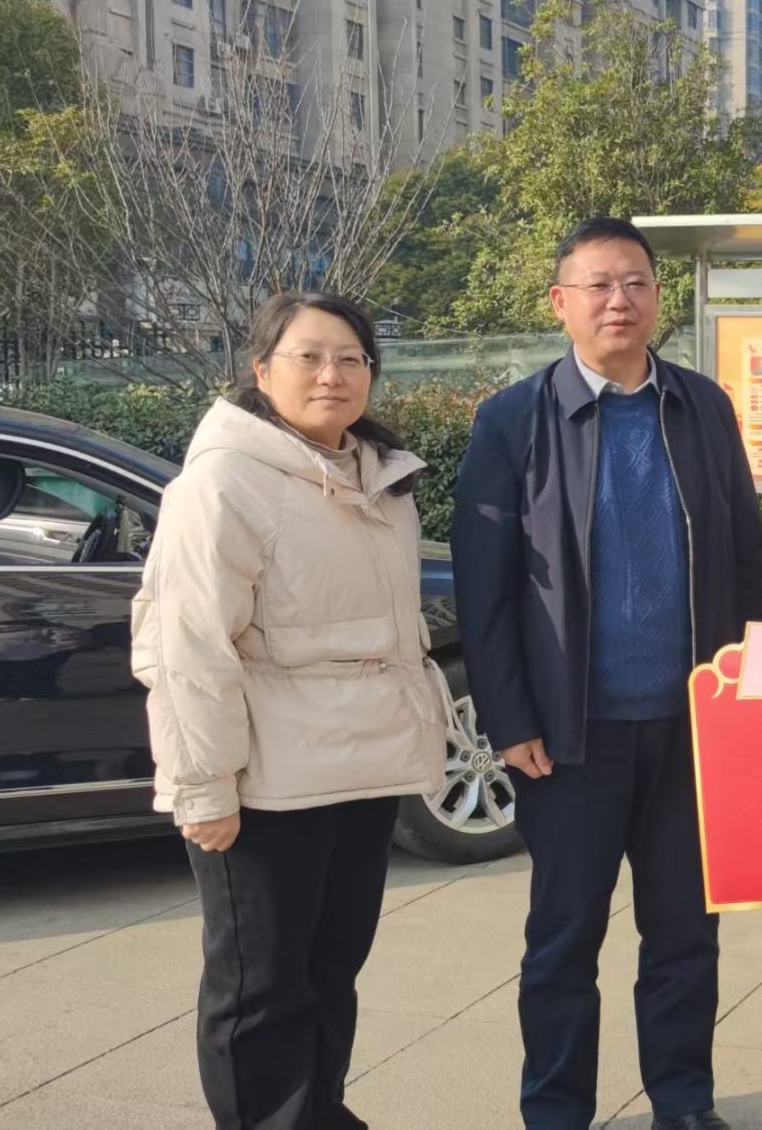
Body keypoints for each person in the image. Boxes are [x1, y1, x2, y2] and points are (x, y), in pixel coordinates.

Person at [452, 217, 762, 1130]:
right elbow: (485, 590)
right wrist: (511, 717)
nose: (618, 301)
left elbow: (746, 557)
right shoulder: (513, 420)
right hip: (569, 738)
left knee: (685, 935)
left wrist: (748, 700)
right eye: (597, 285)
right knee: (564, 941)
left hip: (690, 731)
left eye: (634, 282)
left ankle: (684, 1101)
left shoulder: (702, 407)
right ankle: (557, 1110)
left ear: (658, 297)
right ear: (561, 302)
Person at [133, 292, 441, 1130]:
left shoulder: (381, 480)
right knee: (260, 988)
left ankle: (320, 1113)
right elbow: (188, 647)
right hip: (267, 783)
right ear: (262, 371)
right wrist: (203, 787)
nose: (331, 375)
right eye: (308, 356)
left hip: (362, 769)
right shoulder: (223, 483)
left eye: (350, 358)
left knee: (332, 971)